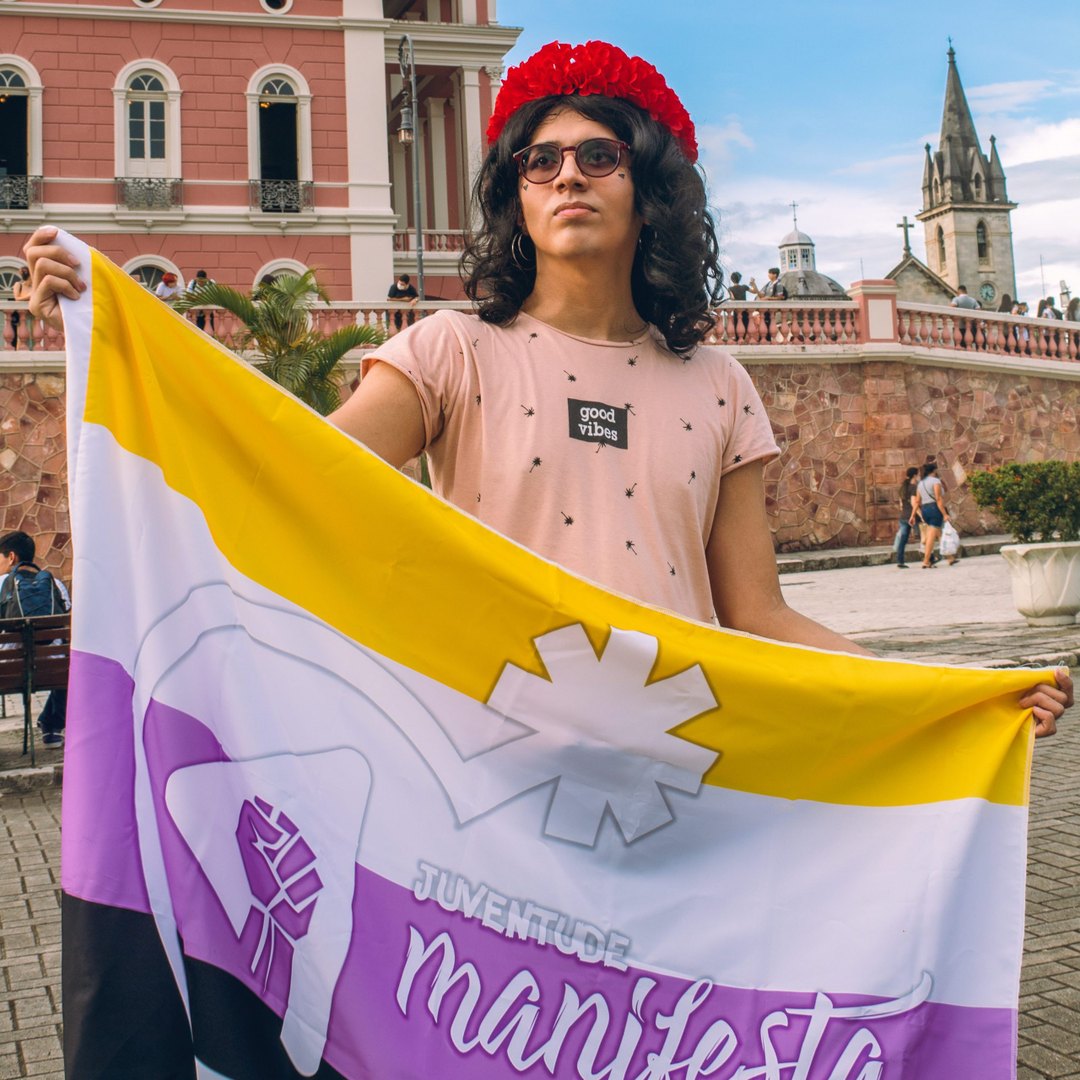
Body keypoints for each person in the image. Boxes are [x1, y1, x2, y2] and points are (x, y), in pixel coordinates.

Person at [22, 40, 1071, 736]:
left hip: (680, 768)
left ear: (650, 191)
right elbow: (289, 466)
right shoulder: (448, 352)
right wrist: (117, 329)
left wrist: (943, 697)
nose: (568, 174)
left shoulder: (719, 385)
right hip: (486, 776)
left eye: (600, 155)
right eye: (540, 160)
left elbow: (758, 612)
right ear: (515, 199)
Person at [0, 530, 70, 747]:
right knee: (68, 659)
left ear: (11, 557)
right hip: (54, 670)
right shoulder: (55, 584)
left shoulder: (2, 583)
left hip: (7, 671)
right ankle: (52, 727)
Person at [915, 462, 951, 570]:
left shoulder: (920, 483)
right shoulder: (935, 481)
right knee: (931, 536)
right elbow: (938, 498)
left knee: (937, 534)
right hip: (934, 508)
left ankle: (950, 558)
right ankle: (926, 561)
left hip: (925, 509)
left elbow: (917, 501)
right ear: (934, 471)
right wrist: (944, 514)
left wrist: (914, 514)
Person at [748, 267, 786, 340]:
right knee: (763, 325)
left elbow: (780, 297)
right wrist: (754, 285)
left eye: (770, 273)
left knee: (768, 326)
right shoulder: (768, 284)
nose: (768, 275)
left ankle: (766, 340)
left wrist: (768, 298)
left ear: (775, 275)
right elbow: (761, 295)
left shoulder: (779, 284)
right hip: (765, 309)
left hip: (771, 310)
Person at [892, 466, 919, 569]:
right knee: (924, 537)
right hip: (912, 516)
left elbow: (901, 505)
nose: (919, 476)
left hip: (903, 516)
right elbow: (914, 503)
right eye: (918, 474)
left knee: (903, 540)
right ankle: (930, 558)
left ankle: (900, 561)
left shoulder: (902, 487)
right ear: (915, 475)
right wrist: (914, 516)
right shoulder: (913, 487)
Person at [186, 269, 216, 334]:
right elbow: (188, 296)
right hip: (196, 312)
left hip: (207, 311)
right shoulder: (192, 284)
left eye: (202, 281)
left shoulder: (211, 283)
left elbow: (214, 296)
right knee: (197, 331)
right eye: (199, 281)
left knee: (209, 331)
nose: (200, 283)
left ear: (206, 279)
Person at [11, 266, 33, 349]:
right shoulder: (18, 285)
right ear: (29, 276)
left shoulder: (33, 287)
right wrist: (28, 296)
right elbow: (17, 298)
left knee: (32, 336)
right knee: (21, 337)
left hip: (31, 314)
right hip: (21, 315)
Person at [727, 270, 751, 338]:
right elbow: (754, 291)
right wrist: (753, 284)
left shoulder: (730, 288)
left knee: (737, 324)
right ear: (739, 279)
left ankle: (738, 339)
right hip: (744, 309)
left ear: (732, 279)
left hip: (736, 310)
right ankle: (743, 338)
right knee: (745, 324)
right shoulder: (744, 287)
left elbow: (732, 299)